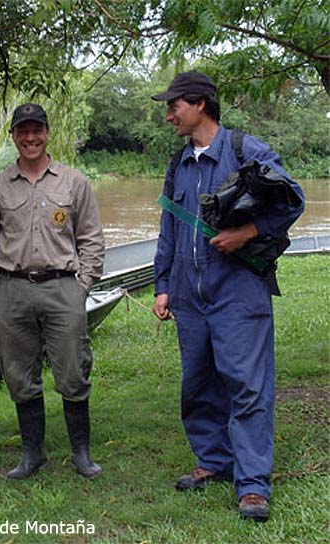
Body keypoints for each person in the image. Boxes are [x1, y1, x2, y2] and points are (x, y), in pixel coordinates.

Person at [151, 72, 305, 521]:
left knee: (247, 386)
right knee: (198, 383)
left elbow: (293, 200)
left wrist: (248, 232)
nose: (168, 115)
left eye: (174, 105)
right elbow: (169, 226)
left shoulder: (246, 151)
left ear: (199, 103)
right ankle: (214, 462)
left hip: (239, 293)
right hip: (188, 294)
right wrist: (163, 284)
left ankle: (253, 484)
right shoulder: (178, 162)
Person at [0, 103, 105, 479]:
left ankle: (81, 453)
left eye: (37, 130)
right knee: (18, 373)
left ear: (47, 133)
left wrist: (82, 287)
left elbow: (91, 239)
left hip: (63, 288)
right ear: (14, 136)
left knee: (73, 370)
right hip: (11, 291)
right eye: (22, 131)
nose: (30, 138)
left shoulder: (73, 182)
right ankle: (33, 454)